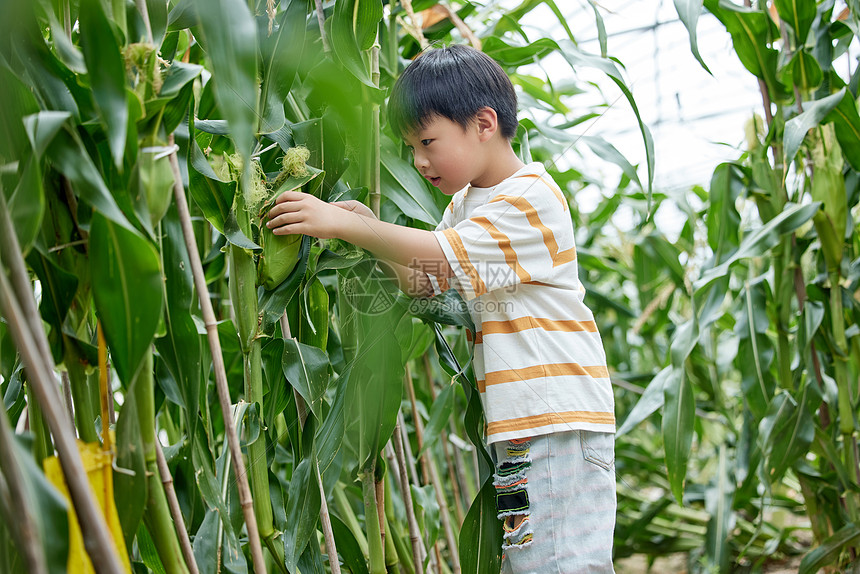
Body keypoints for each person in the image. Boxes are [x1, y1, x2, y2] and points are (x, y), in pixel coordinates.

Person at [266, 44, 616, 574]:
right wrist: (366, 230)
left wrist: (347, 225)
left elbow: (443, 259)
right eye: (410, 148)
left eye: (427, 142)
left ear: (483, 123)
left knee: (560, 565)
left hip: (557, 418)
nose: (419, 162)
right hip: (522, 425)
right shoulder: (464, 206)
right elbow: (426, 279)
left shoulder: (529, 197)